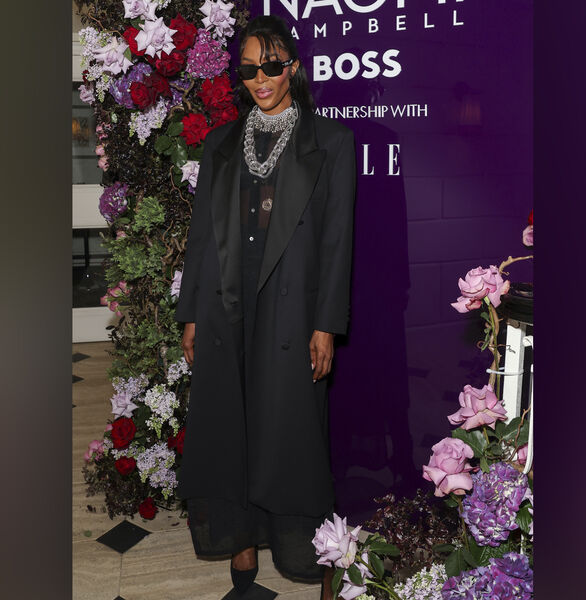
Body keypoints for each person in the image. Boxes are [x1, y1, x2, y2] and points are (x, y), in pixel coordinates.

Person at [175, 14, 356, 599]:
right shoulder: (221, 143)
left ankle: (307, 549)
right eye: (249, 69)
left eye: (272, 67)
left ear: (293, 69)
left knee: (289, 430)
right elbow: (202, 236)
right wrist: (191, 313)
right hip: (226, 304)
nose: (261, 79)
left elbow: (337, 242)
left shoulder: (329, 142)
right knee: (230, 423)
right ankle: (242, 536)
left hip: (292, 307)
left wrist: (326, 324)